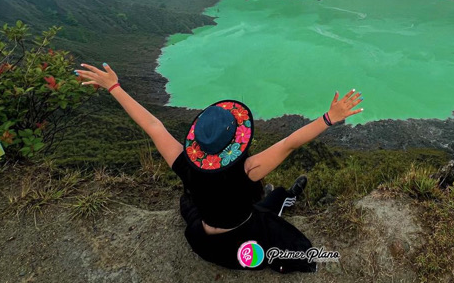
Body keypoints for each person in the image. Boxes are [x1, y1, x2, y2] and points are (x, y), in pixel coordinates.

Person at [74, 62, 363, 273]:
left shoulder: (185, 164)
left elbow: (152, 125)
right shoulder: (249, 169)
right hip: (242, 234)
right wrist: (329, 118)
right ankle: (287, 197)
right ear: (236, 143)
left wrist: (113, 87)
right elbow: (289, 143)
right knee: (295, 242)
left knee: (190, 202)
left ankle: (282, 198)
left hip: (203, 237)